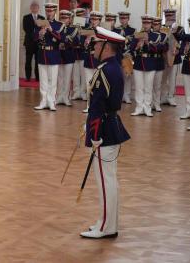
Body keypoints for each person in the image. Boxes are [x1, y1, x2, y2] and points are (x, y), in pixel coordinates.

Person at [79, 26, 130, 239]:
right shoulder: (111, 67)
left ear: (107, 48)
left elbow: (99, 106)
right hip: (109, 127)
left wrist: (94, 135)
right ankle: (106, 222)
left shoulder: (105, 70)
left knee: (106, 180)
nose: (94, 47)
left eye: (97, 44)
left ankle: (107, 228)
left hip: (104, 132)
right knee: (107, 179)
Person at [34, 3, 62, 111]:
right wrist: (40, 33)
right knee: (43, 80)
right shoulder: (39, 23)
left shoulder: (59, 25)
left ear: (55, 12)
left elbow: (61, 38)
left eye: (51, 11)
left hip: (53, 55)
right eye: (47, 11)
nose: (49, 13)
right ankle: (43, 101)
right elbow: (34, 38)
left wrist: (51, 30)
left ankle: (51, 102)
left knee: (52, 80)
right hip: (42, 55)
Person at [130, 15, 159, 117]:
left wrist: (147, 42)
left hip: (150, 63)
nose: (145, 25)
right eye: (144, 23)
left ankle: (147, 108)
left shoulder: (156, 35)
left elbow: (158, 49)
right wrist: (137, 44)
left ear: (151, 24)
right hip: (138, 63)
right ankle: (139, 107)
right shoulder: (137, 34)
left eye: (147, 23)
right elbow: (131, 48)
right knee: (139, 87)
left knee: (148, 87)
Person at [81, 12, 103, 113]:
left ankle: (98, 106)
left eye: (96, 20)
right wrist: (85, 42)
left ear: (99, 20)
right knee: (88, 84)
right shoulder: (86, 31)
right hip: (88, 60)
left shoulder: (103, 31)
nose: (93, 21)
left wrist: (95, 39)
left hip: (98, 60)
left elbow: (105, 44)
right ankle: (89, 105)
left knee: (98, 85)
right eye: (92, 19)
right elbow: (81, 45)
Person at [161, 8, 181, 106]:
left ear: (174, 16)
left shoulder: (180, 28)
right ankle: (163, 96)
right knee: (163, 78)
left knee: (172, 78)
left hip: (175, 57)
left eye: (171, 16)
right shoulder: (162, 28)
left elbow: (183, 41)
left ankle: (171, 97)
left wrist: (179, 50)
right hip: (164, 57)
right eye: (167, 16)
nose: (169, 18)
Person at [114, 11, 136, 104]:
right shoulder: (115, 30)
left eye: (125, 18)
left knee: (127, 76)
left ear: (128, 19)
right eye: (121, 18)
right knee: (118, 77)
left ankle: (126, 95)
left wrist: (130, 52)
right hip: (118, 55)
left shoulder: (133, 30)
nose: (123, 20)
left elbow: (134, 43)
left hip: (128, 56)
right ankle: (119, 95)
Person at [56, 10, 76, 107]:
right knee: (59, 77)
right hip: (59, 55)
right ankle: (59, 96)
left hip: (69, 55)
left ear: (70, 19)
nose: (64, 20)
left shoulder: (73, 29)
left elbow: (76, 41)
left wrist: (66, 42)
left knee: (67, 78)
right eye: (62, 18)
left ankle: (66, 97)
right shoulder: (57, 27)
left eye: (66, 18)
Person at [22, 0, 44, 81]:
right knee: (28, 60)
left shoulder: (42, 18)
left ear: (38, 8)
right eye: (33, 6)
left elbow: (43, 29)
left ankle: (38, 78)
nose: (34, 7)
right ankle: (28, 77)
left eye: (36, 6)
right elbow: (26, 29)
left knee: (38, 61)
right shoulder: (26, 17)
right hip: (29, 42)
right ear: (30, 8)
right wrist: (35, 25)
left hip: (39, 43)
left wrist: (38, 36)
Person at [151, 17, 168, 112]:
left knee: (157, 85)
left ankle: (157, 103)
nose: (155, 26)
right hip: (150, 61)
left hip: (159, 61)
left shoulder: (164, 35)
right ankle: (150, 103)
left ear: (160, 25)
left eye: (157, 24)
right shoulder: (148, 34)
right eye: (154, 24)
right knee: (149, 85)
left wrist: (158, 46)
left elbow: (165, 48)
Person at [71, 8, 87, 100]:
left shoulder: (87, 27)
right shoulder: (72, 28)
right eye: (77, 16)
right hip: (74, 53)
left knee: (83, 74)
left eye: (81, 16)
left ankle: (83, 92)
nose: (80, 18)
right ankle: (76, 92)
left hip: (83, 53)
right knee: (75, 75)